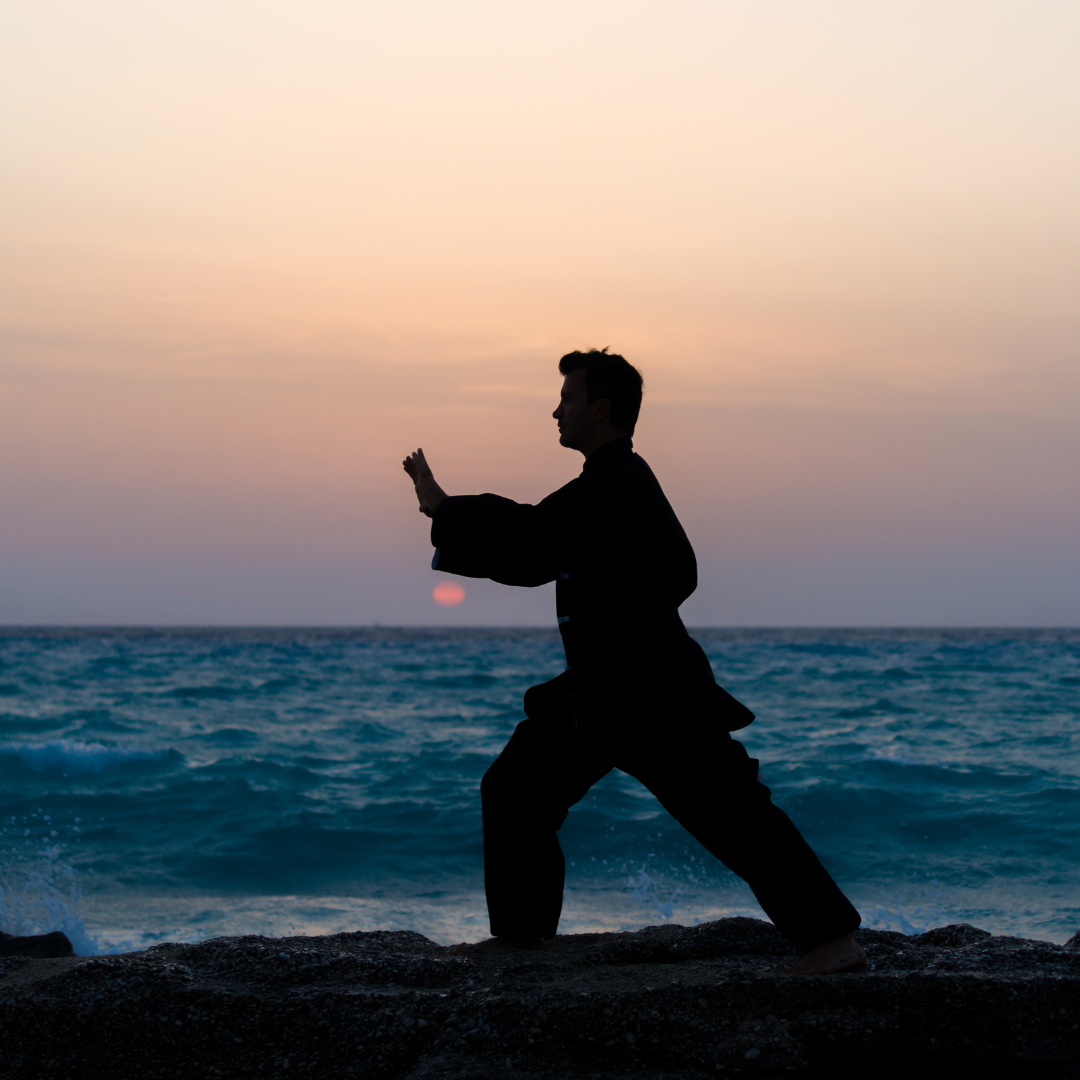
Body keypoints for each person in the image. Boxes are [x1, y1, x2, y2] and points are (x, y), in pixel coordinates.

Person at [403, 348, 864, 975]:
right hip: (598, 695)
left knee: (731, 811)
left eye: (567, 397)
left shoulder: (619, 483)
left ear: (601, 408)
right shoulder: (603, 488)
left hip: (652, 692)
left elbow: (536, 530)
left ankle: (832, 939)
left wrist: (444, 507)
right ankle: (521, 936)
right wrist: (449, 526)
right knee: (515, 788)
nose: (556, 410)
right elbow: (536, 559)